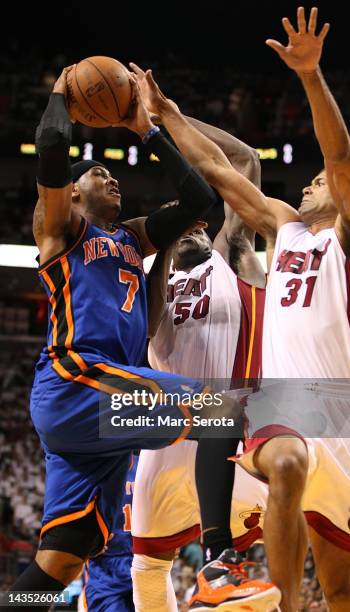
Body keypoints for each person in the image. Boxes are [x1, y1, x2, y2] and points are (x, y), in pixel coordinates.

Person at [130, 7, 350, 612]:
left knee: (340, 589)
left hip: (342, 406)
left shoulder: (342, 236)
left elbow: (339, 160)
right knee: (262, 446)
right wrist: (166, 116)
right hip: (284, 397)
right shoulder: (284, 228)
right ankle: (266, 594)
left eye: (318, 184)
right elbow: (224, 175)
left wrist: (310, 76)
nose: (306, 185)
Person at [2, 66, 241, 609]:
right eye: (95, 174)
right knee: (218, 411)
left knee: (65, 554)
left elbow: (199, 201)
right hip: (77, 379)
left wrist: (147, 129)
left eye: (114, 174)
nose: (109, 178)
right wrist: (63, 93)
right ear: (73, 194)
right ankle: (222, 564)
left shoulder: (132, 238)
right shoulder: (61, 229)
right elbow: (52, 144)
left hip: (99, 411)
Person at [128, 101, 280, 612]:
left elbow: (244, 164)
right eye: (182, 227)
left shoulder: (232, 254)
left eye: (198, 224)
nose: (194, 229)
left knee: (287, 536)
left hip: (235, 428)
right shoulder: (153, 287)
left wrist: (162, 117)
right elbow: (143, 332)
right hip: (171, 430)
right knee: (146, 563)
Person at [79, 455, 138, 612]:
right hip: (105, 564)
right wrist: (85, 537)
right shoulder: (94, 462)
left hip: (145, 560)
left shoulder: (148, 460)